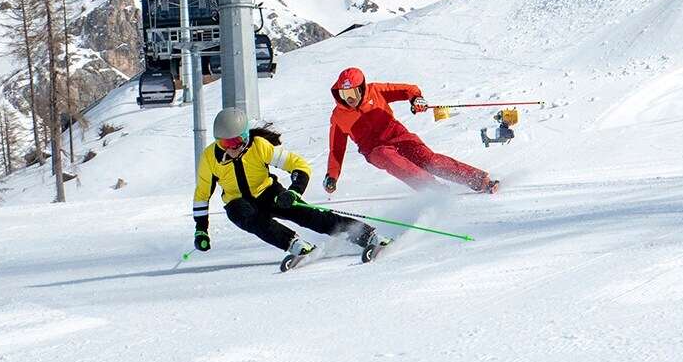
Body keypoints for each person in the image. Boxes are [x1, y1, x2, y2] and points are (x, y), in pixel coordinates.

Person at [192, 106, 380, 270]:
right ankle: (295, 245)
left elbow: (298, 165)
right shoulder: (210, 158)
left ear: (246, 136)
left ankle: (367, 235)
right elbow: (202, 194)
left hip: (268, 193)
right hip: (238, 202)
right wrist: (201, 229)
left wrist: (294, 191)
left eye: (236, 141)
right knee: (248, 217)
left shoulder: (259, 146)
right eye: (224, 143)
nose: (231, 148)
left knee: (309, 216)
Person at [322, 67, 500, 195]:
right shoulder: (338, 116)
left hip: (397, 134)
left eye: (353, 93)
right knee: (391, 159)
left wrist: (416, 99)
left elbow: (408, 89)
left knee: (428, 160)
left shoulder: (375, 91)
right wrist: (332, 176)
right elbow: (336, 150)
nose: (350, 99)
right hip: (374, 149)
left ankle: (480, 180)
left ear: (362, 88)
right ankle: (436, 192)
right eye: (345, 95)